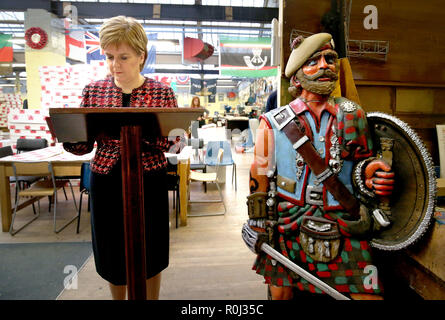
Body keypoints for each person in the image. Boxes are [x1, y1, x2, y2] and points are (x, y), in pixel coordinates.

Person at [242, 33, 395, 300]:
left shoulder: (353, 114)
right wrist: (257, 219)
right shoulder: (273, 122)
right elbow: (260, 170)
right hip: (288, 221)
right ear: (297, 76)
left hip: (344, 220)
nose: (325, 65)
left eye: (330, 59)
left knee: (367, 296)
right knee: (280, 294)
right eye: (314, 61)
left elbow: (363, 163)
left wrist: (371, 173)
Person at [63, 16, 178, 300]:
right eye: (110, 57)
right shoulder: (94, 91)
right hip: (106, 179)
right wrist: (68, 134)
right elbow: (84, 146)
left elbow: (174, 143)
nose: (115, 65)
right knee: (111, 248)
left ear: (141, 55)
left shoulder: (162, 92)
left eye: (123, 57)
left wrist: (143, 133)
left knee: (150, 248)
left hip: (148, 178)